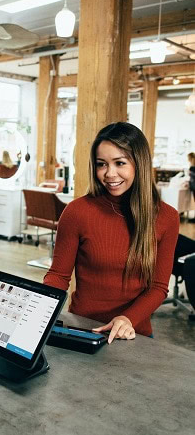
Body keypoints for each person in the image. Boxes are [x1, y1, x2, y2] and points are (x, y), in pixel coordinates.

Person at [44, 122, 179, 343]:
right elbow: (58, 276)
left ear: (139, 164)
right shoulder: (77, 212)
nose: (109, 173)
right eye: (101, 164)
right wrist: (40, 306)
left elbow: (158, 287)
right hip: (82, 329)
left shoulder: (166, 218)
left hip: (133, 334)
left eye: (119, 163)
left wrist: (127, 319)